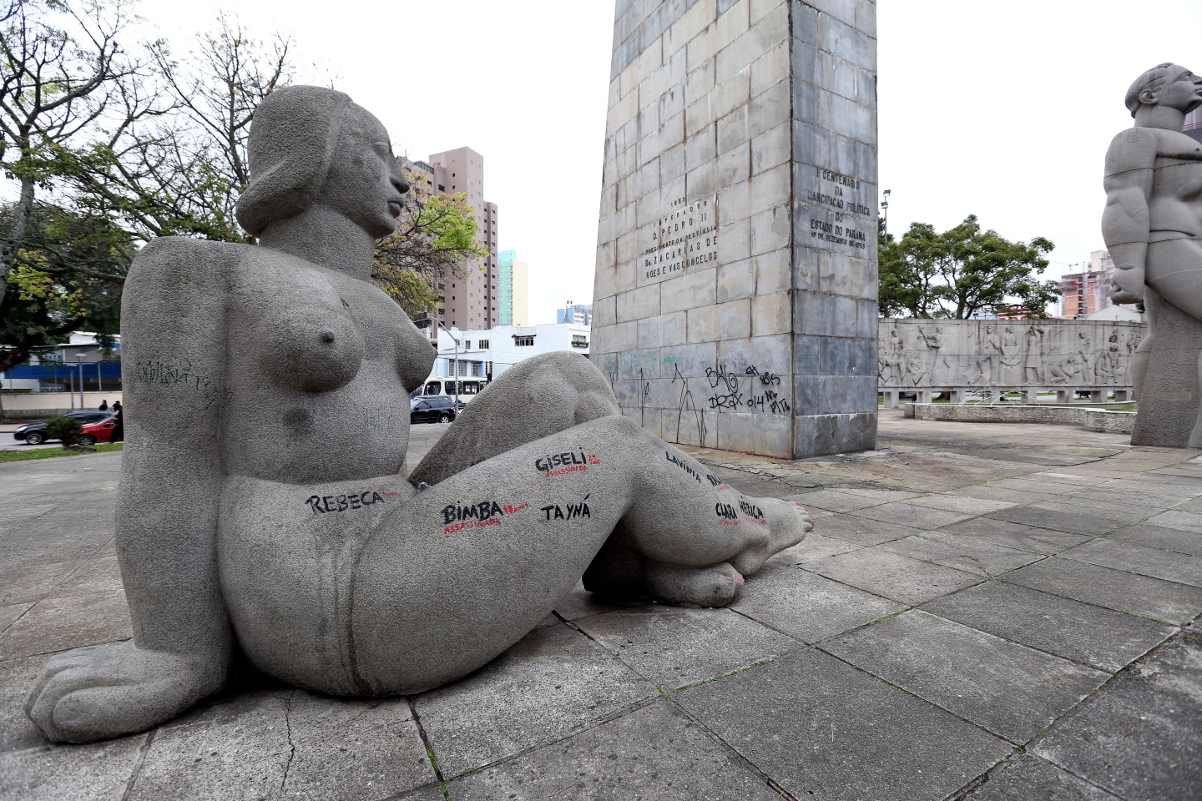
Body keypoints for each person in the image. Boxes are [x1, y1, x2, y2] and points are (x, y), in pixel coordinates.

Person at [25, 86, 811, 744]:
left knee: (565, 380)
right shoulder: (197, 269)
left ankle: (626, 557)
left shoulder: (380, 301)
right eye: (376, 153)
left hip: (398, 520)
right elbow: (168, 455)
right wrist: (175, 648)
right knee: (618, 448)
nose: (400, 179)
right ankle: (756, 523)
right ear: (314, 154)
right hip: (329, 585)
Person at [1103, 63, 1202, 445]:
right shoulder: (1135, 140)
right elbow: (1124, 198)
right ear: (1150, 94)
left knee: (1159, 333)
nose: (1196, 82)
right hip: (1168, 242)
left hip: (1188, 242)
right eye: (1185, 77)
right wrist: (1128, 264)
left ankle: (1161, 428)